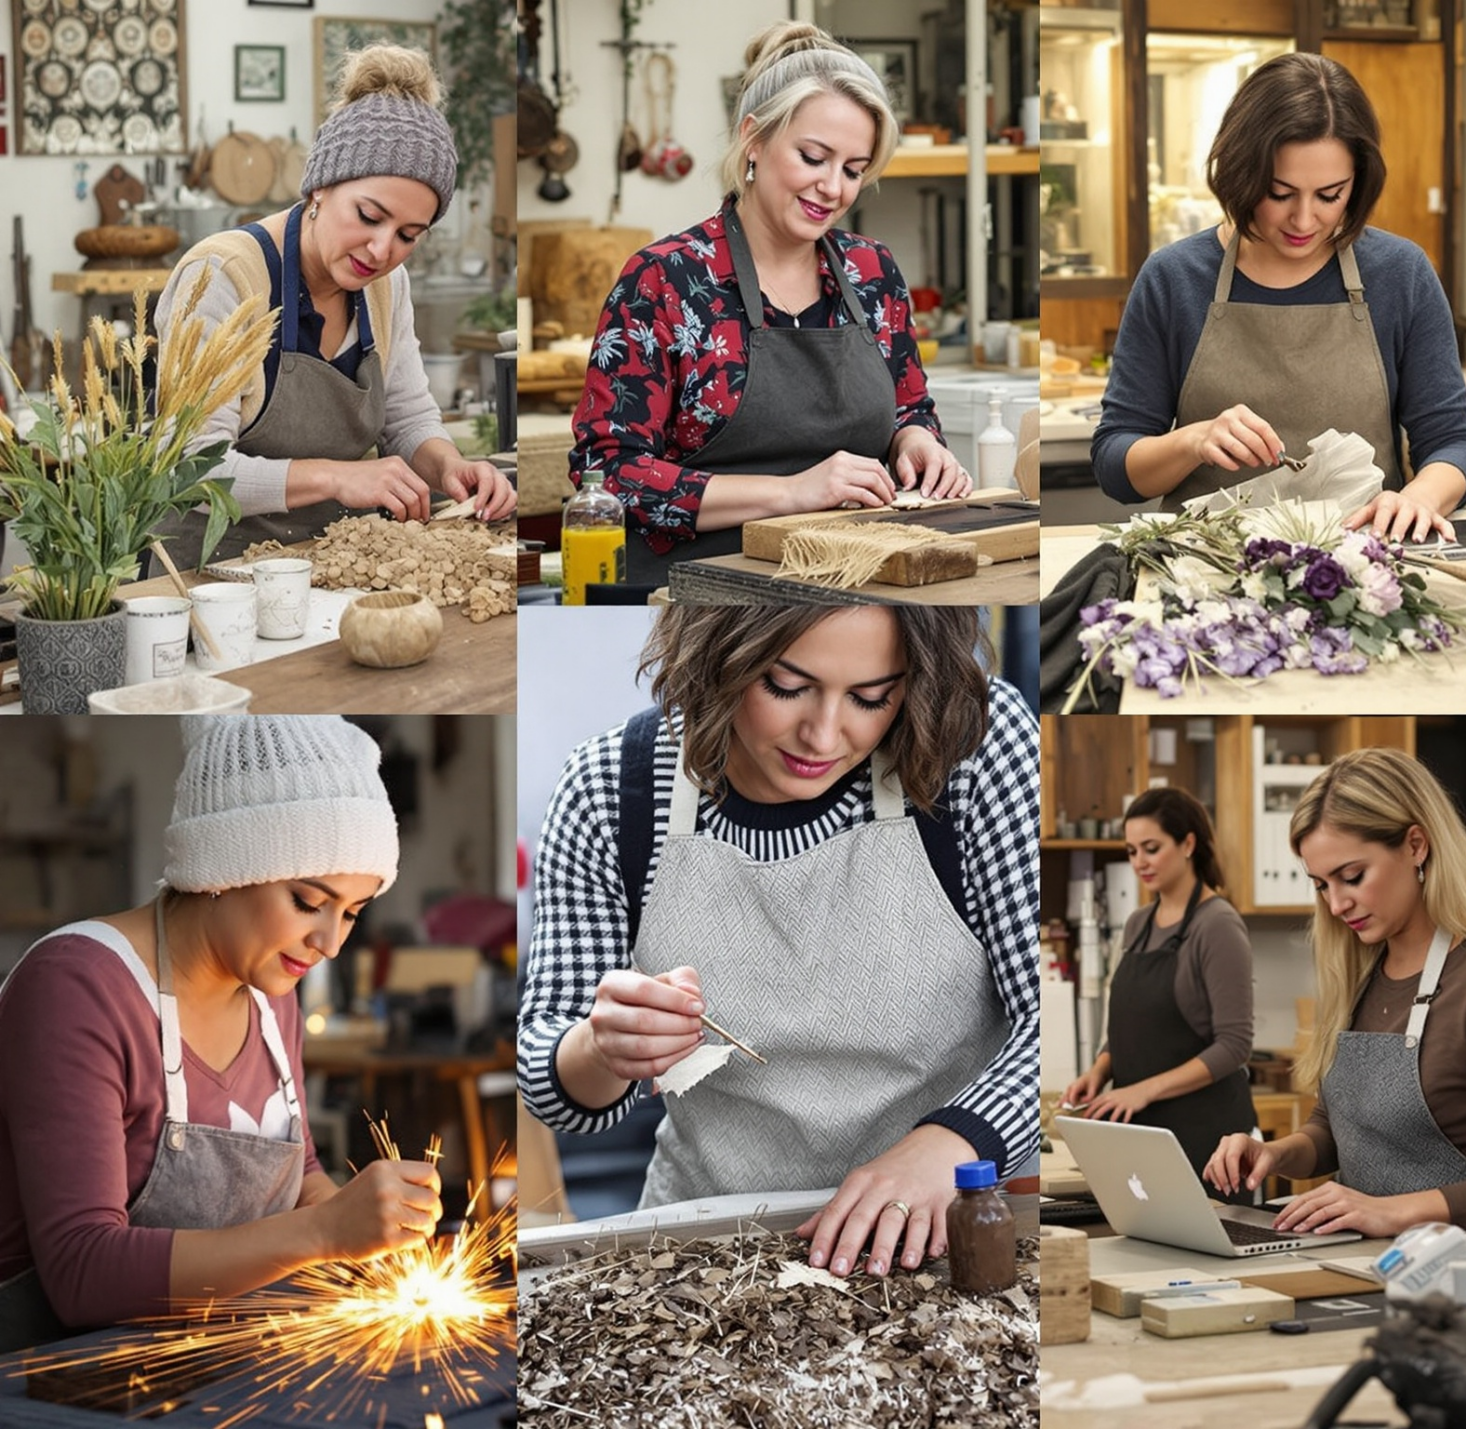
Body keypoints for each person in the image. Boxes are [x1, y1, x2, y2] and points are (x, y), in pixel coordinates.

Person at [517, 605, 1038, 1281]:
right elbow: (549, 1083)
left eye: (872, 697)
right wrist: (601, 1046)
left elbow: (1043, 1027)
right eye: (786, 687)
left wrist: (954, 1145)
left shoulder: (973, 746)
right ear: (716, 655)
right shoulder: (611, 791)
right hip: (706, 1257)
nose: (822, 734)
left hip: (944, 1234)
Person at [0, 718, 441, 1352]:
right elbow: (81, 1272)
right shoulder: (76, 987)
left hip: (192, 1360)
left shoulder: (270, 993)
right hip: (43, 1372)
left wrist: (368, 1234)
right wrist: (322, 1233)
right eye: (306, 900)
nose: (330, 943)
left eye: (350, 912)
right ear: (224, 864)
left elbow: (299, 1175)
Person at [571, 23, 974, 588]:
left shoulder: (872, 273)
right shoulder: (665, 280)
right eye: (814, 157)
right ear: (754, 140)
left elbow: (910, 407)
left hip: (855, 572)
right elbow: (607, 473)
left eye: (854, 170)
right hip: (696, 588)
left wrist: (917, 442)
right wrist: (791, 493)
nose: (833, 188)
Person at [1202, 749, 1466, 1320]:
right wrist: (1275, 1152)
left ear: (1416, 845)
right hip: (1364, 1290)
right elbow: (1337, 1130)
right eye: (1321, 886)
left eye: (1352, 877)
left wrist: (1390, 1211)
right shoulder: (1362, 976)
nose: (1337, 905)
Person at [1092, 53, 1466, 541]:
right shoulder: (1173, 278)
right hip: (1204, 573)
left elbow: (1453, 442)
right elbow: (1115, 466)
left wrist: (1418, 498)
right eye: (1280, 193)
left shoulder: (1400, 274)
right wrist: (1193, 441)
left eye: (1329, 195)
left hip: (1366, 571)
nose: (1303, 220)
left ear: (1358, 182)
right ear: (1241, 172)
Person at [152, 46, 517, 566]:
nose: (382, 250)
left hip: (328, 566)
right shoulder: (223, 277)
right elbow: (186, 470)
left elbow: (407, 418)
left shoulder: (388, 287)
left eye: (409, 235)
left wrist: (449, 465)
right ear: (320, 187)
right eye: (369, 216)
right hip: (208, 577)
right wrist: (336, 475)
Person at [1060, 789, 1257, 1193]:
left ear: (1188, 843)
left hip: (1206, 1140)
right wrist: (1100, 1071)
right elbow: (1128, 1029)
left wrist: (1141, 1092)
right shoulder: (1137, 924)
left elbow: (1235, 1046)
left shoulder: (1217, 924)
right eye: (1132, 851)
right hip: (1143, 1136)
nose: (1139, 863)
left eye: (1151, 848)